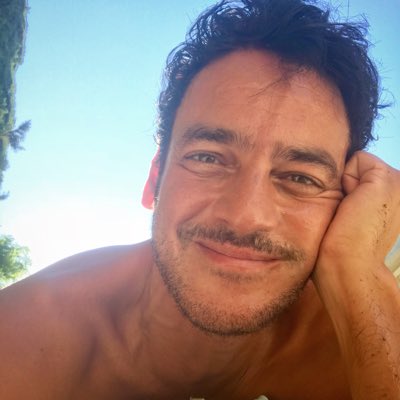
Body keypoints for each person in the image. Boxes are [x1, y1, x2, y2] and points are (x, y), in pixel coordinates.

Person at [1, 0, 399, 399]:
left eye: (300, 178)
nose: (245, 216)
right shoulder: (25, 340)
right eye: (207, 158)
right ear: (154, 180)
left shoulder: (362, 337)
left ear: (343, 204)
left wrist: (358, 271)